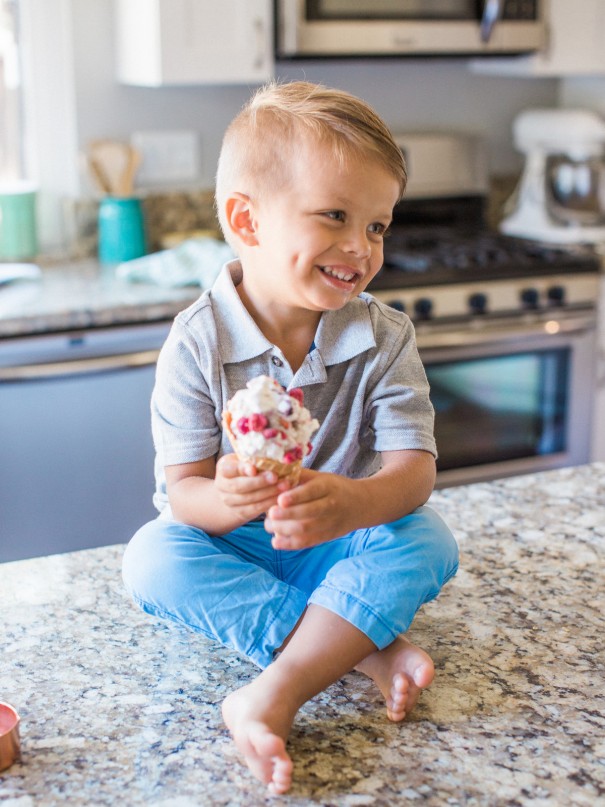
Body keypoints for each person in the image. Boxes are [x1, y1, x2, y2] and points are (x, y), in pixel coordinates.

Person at [122, 81, 459, 795]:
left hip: (342, 540)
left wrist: (352, 503)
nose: (359, 247)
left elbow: (413, 471)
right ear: (246, 219)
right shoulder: (196, 343)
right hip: (246, 541)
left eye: (376, 225)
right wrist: (231, 496)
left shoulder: (383, 335)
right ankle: (360, 651)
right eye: (334, 215)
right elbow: (183, 493)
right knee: (152, 557)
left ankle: (275, 686)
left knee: (428, 538)